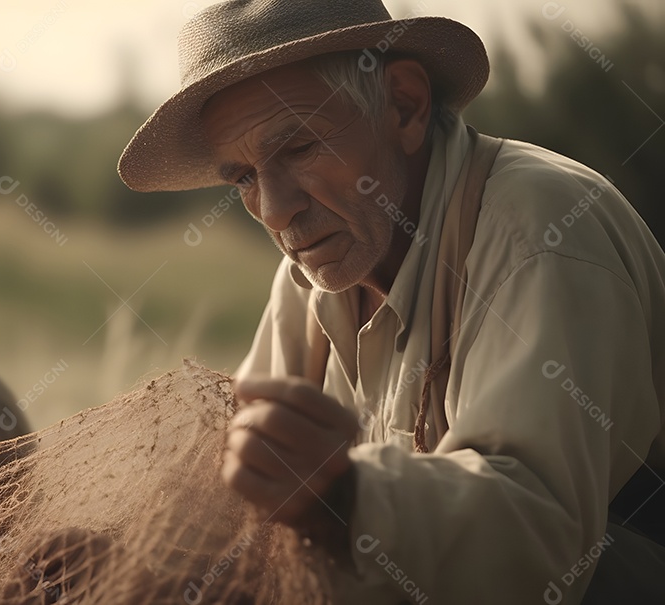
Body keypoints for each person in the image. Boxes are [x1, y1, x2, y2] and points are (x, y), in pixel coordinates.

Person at [117, 0, 665, 602]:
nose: (274, 210)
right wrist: (132, 558)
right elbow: (246, 489)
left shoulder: (541, 228)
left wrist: (349, 495)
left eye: (298, 147)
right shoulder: (321, 264)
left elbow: (540, 535)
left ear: (403, 106)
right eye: (243, 178)